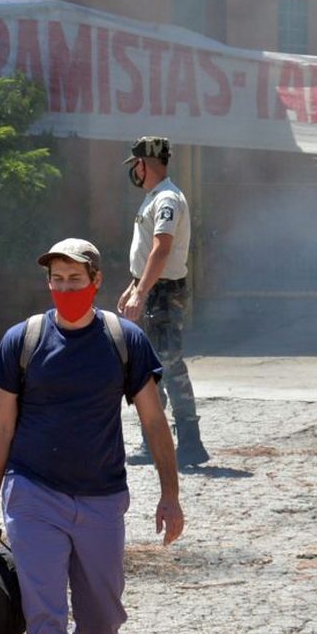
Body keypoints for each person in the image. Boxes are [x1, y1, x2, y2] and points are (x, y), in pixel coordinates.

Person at [0, 238, 185, 634]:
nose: (65, 288)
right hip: (32, 494)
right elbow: (2, 427)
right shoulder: (21, 341)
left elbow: (154, 421)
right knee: (45, 614)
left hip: (102, 500)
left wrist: (170, 494)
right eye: (56, 279)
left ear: (95, 282)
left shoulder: (124, 341)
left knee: (104, 622)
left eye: (75, 279)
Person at [116, 136, 210, 467]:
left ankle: (189, 443)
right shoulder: (156, 197)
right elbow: (148, 256)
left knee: (168, 365)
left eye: (136, 165)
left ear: (143, 164)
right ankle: (156, 441)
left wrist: (142, 292)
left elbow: (162, 248)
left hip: (163, 294)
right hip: (154, 289)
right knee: (152, 368)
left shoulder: (167, 198)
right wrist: (135, 285)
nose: (134, 172)